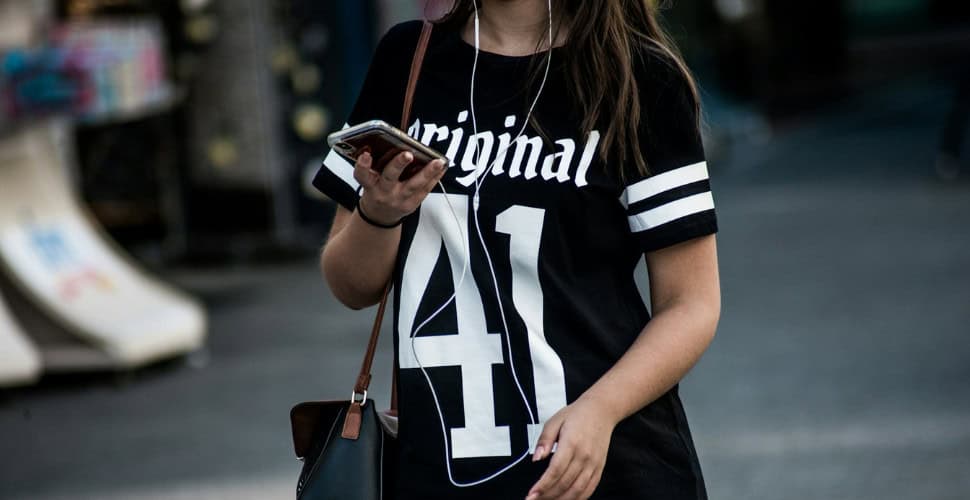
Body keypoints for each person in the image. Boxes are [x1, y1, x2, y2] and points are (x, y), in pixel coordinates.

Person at [313, 1, 721, 498]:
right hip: (440, 470)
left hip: (604, 466)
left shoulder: (641, 79)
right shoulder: (406, 59)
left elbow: (691, 304)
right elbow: (350, 286)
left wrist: (601, 409)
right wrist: (379, 213)